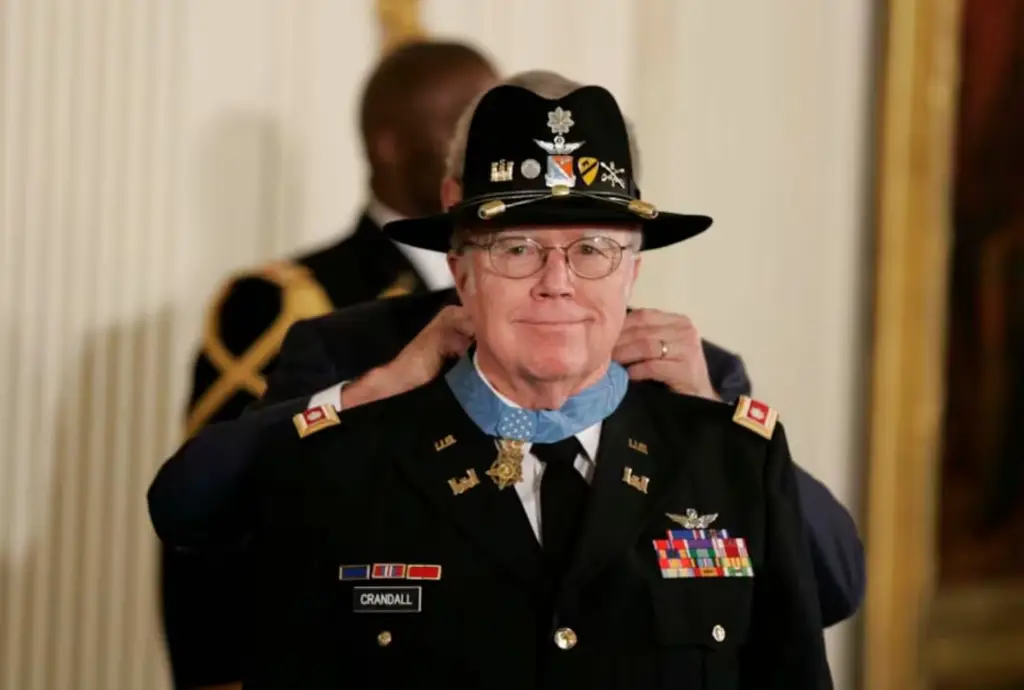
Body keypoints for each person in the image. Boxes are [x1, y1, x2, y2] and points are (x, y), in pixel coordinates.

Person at [150, 75, 834, 688]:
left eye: (593, 250)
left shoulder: (730, 445)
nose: (556, 283)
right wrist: (371, 392)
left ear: (634, 271)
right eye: (517, 249)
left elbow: (825, 606)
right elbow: (195, 520)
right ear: (459, 266)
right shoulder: (347, 457)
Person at [162, 40, 498, 689]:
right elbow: (210, 527)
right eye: (461, 121)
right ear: (389, 145)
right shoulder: (280, 301)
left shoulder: (546, 306)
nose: (482, 144)